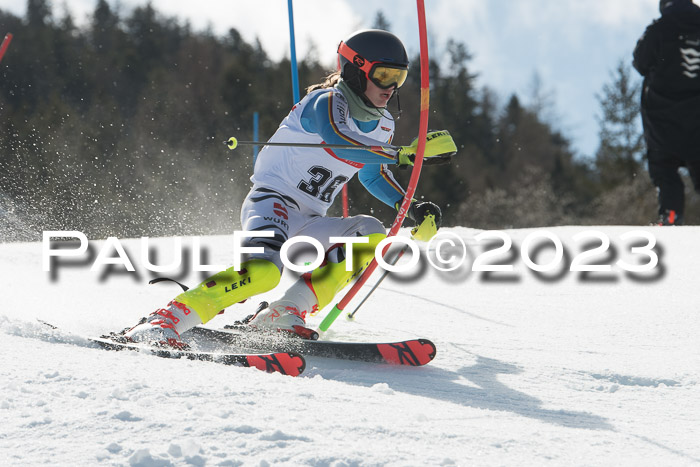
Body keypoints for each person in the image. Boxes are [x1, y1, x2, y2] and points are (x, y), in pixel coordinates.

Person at [122, 29, 457, 347]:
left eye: (399, 78)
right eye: (383, 75)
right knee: (264, 273)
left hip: (310, 218)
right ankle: (166, 319)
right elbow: (339, 142)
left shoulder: (384, 124)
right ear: (356, 69)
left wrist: (411, 206)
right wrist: (402, 154)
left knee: (369, 232)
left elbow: (373, 174)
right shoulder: (325, 102)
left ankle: (284, 312)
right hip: (272, 203)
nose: (391, 87)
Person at [633, 0, 700, 225]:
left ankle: (671, 216)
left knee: (665, 171)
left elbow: (640, 62)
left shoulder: (659, 28)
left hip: (664, 120)